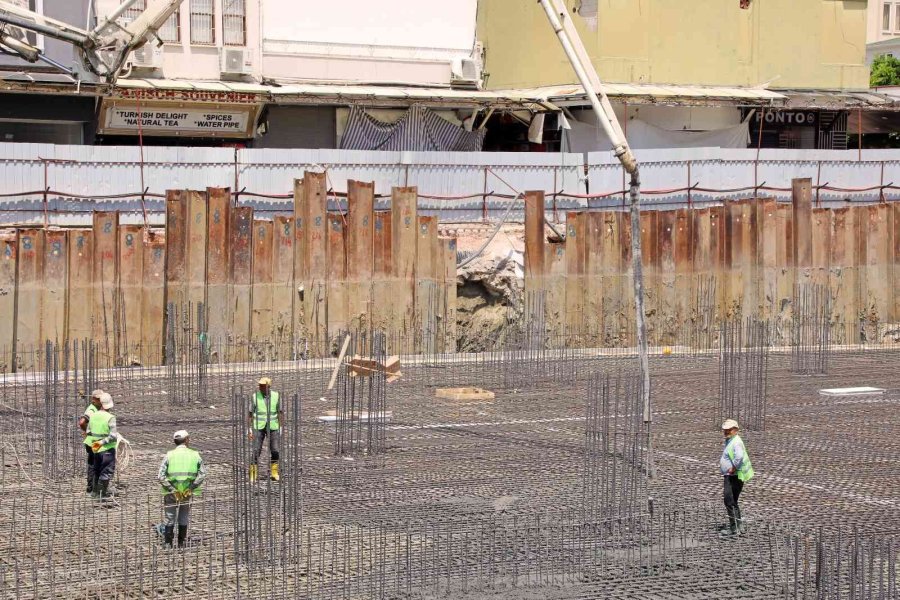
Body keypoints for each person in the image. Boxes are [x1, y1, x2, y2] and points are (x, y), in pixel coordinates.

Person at [158, 430, 207, 548]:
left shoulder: (169, 455)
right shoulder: (195, 454)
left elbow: (160, 476)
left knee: (170, 517)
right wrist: (192, 487)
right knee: (184, 515)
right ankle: (181, 543)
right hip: (186, 491)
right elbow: (202, 474)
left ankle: (168, 544)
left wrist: (171, 488)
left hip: (171, 492)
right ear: (187, 440)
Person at [719, 419, 754, 537]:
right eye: (725, 430)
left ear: (735, 430)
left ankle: (734, 528)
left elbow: (739, 456)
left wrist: (733, 467)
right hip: (732, 475)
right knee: (732, 501)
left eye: (729, 430)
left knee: (729, 501)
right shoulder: (731, 440)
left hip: (734, 476)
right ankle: (739, 526)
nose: (726, 431)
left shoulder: (736, 442)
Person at [85, 392, 120, 502]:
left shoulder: (93, 415)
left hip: (95, 448)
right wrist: (103, 441)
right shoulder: (111, 417)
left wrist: (97, 440)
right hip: (107, 449)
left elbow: (88, 431)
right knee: (106, 471)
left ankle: (94, 493)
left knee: (97, 470)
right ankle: (102, 495)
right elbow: (113, 436)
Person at [248, 377, 283, 482]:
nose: (260, 387)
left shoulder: (276, 396)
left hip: (273, 426)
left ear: (269, 386)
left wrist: (281, 426)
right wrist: (249, 429)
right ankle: (253, 473)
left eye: (263, 385)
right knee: (256, 450)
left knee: (275, 450)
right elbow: (250, 413)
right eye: (260, 385)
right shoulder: (255, 396)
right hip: (258, 426)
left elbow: (280, 412)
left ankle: (274, 472)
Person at [77, 389, 104, 494]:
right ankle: (93, 487)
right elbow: (82, 422)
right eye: (98, 399)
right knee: (95, 463)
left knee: (94, 463)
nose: (100, 401)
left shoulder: (97, 408)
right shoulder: (92, 410)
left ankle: (92, 486)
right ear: (93, 399)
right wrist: (88, 431)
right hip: (93, 442)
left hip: (93, 441)